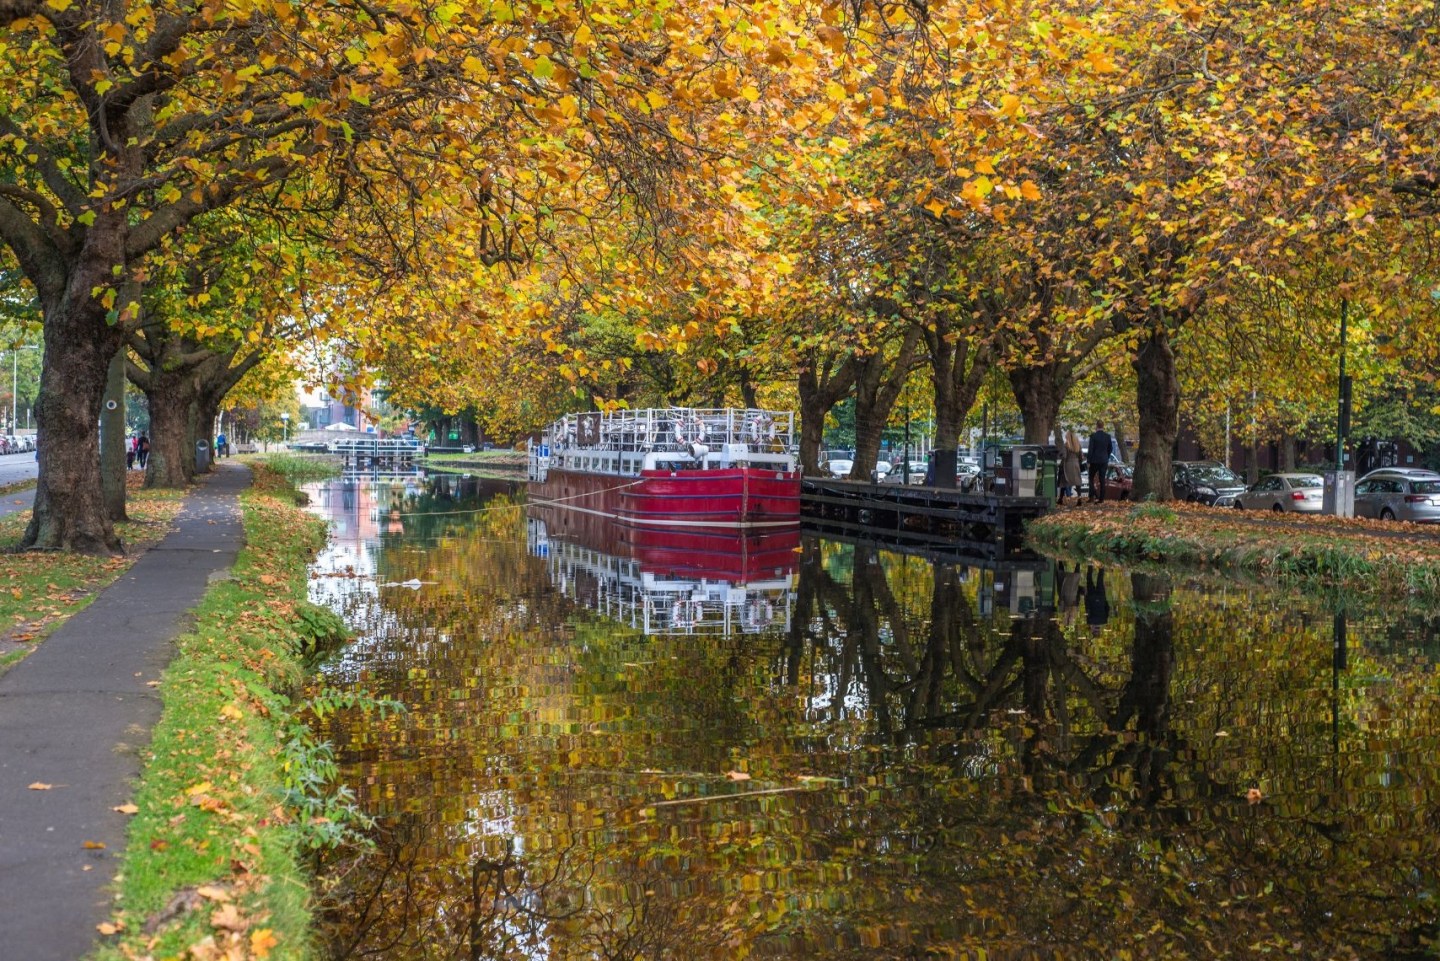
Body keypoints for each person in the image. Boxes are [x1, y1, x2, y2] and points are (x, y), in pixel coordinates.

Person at [1087, 422, 1113, 502]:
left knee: (1091, 478)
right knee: (1102, 480)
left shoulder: (1093, 436)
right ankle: (1101, 499)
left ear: (1096, 426)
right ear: (1103, 426)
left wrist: (1088, 461)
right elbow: (1110, 448)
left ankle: (1092, 496)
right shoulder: (1108, 436)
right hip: (1103, 461)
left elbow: (1090, 450)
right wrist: (1106, 456)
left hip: (1094, 461)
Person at [1062, 429, 1083, 505]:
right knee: (1077, 482)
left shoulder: (1066, 445)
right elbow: (1081, 456)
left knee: (1066, 481)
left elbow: (1064, 456)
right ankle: (1079, 497)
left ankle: (1066, 498)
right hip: (1076, 464)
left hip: (1068, 464)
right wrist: (1079, 462)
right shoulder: (1078, 444)